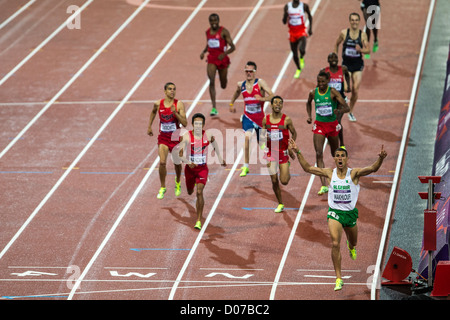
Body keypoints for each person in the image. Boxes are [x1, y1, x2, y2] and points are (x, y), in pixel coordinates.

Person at [288, 140, 387, 291]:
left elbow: (372, 168)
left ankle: (351, 246)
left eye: (342, 156)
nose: (340, 158)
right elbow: (308, 168)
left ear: (347, 159)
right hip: (335, 213)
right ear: (334, 159)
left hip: (350, 214)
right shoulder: (329, 173)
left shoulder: (353, 173)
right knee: (335, 243)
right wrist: (298, 151)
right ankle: (338, 278)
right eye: (337, 156)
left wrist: (380, 158)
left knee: (353, 242)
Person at [178, 113, 226, 230]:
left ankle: (199, 220)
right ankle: (191, 185)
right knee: (190, 192)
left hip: (202, 169)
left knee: (199, 192)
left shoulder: (208, 135)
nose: (198, 126)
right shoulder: (187, 136)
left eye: (200, 124)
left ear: (203, 124)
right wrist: (188, 162)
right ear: (193, 124)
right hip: (190, 170)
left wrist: (220, 158)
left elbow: (215, 144)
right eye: (196, 124)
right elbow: (180, 154)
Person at [306, 71, 350, 195]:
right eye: (319, 81)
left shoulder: (333, 92)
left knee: (335, 153)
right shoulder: (313, 93)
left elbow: (347, 108)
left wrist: (338, 110)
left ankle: (342, 176)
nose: (320, 84)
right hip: (319, 125)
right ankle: (324, 185)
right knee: (319, 153)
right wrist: (309, 116)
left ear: (328, 81)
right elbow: (308, 103)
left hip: (332, 126)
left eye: (323, 82)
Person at [229, 61, 274, 177]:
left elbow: (273, 96)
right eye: (247, 71)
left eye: (251, 71)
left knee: (262, 143)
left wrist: (262, 99)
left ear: (255, 72)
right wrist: (231, 104)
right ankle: (246, 166)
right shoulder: (241, 85)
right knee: (247, 138)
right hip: (247, 117)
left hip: (260, 118)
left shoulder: (260, 83)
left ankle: (270, 155)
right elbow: (236, 93)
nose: (248, 73)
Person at [147, 82, 187, 199]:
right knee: (162, 162)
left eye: (174, 89)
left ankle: (178, 181)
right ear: (165, 91)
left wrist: (175, 113)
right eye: (170, 89)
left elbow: (185, 123)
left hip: (175, 138)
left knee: (177, 163)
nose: (172, 91)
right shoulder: (158, 104)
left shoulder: (179, 104)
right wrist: (149, 126)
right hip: (163, 138)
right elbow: (153, 112)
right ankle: (163, 186)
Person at [261, 96, 297, 213]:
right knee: (274, 180)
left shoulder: (287, 120)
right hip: (271, 152)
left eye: (280, 103)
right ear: (271, 105)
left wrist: (291, 145)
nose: (278, 104)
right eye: (275, 102)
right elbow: (261, 136)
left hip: (283, 152)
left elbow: (294, 133)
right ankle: (280, 203)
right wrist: (263, 137)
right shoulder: (266, 120)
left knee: (284, 181)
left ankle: (287, 167)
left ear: (282, 105)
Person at [334, 12, 369, 122]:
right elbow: (336, 44)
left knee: (355, 90)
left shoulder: (362, 35)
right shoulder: (344, 33)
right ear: (350, 21)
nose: (354, 22)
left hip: (357, 65)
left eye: (356, 20)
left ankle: (351, 111)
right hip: (346, 64)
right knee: (345, 88)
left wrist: (361, 50)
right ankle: (343, 98)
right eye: (352, 20)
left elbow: (368, 50)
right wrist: (335, 58)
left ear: (359, 22)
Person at [200, 13, 236, 116]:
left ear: (218, 21)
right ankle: (214, 107)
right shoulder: (207, 32)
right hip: (211, 59)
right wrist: (203, 52)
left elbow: (233, 47)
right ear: (209, 22)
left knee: (223, 84)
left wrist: (224, 54)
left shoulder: (223, 32)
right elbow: (208, 44)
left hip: (222, 59)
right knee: (211, 80)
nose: (214, 22)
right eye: (212, 21)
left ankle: (224, 76)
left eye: (215, 20)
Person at [322, 52, 351, 147]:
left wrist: (348, 85)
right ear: (328, 60)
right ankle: (331, 137)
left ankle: (342, 144)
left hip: (340, 99)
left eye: (335, 57)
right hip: (329, 101)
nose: (333, 59)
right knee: (328, 121)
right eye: (331, 58)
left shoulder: (343, 69)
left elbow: (347, 74)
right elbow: (320, 83)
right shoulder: (325, 71)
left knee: (337, 121)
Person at [282, 0, 313, 79]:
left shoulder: (304, 6)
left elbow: (310, 16)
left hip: (301, 31)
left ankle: (302, 57)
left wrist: (310, 29)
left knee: (302, 49)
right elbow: (284, 22)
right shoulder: (287, 6)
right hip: (292, 32)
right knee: (294, 54)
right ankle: (298, 68)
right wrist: (286, 14)